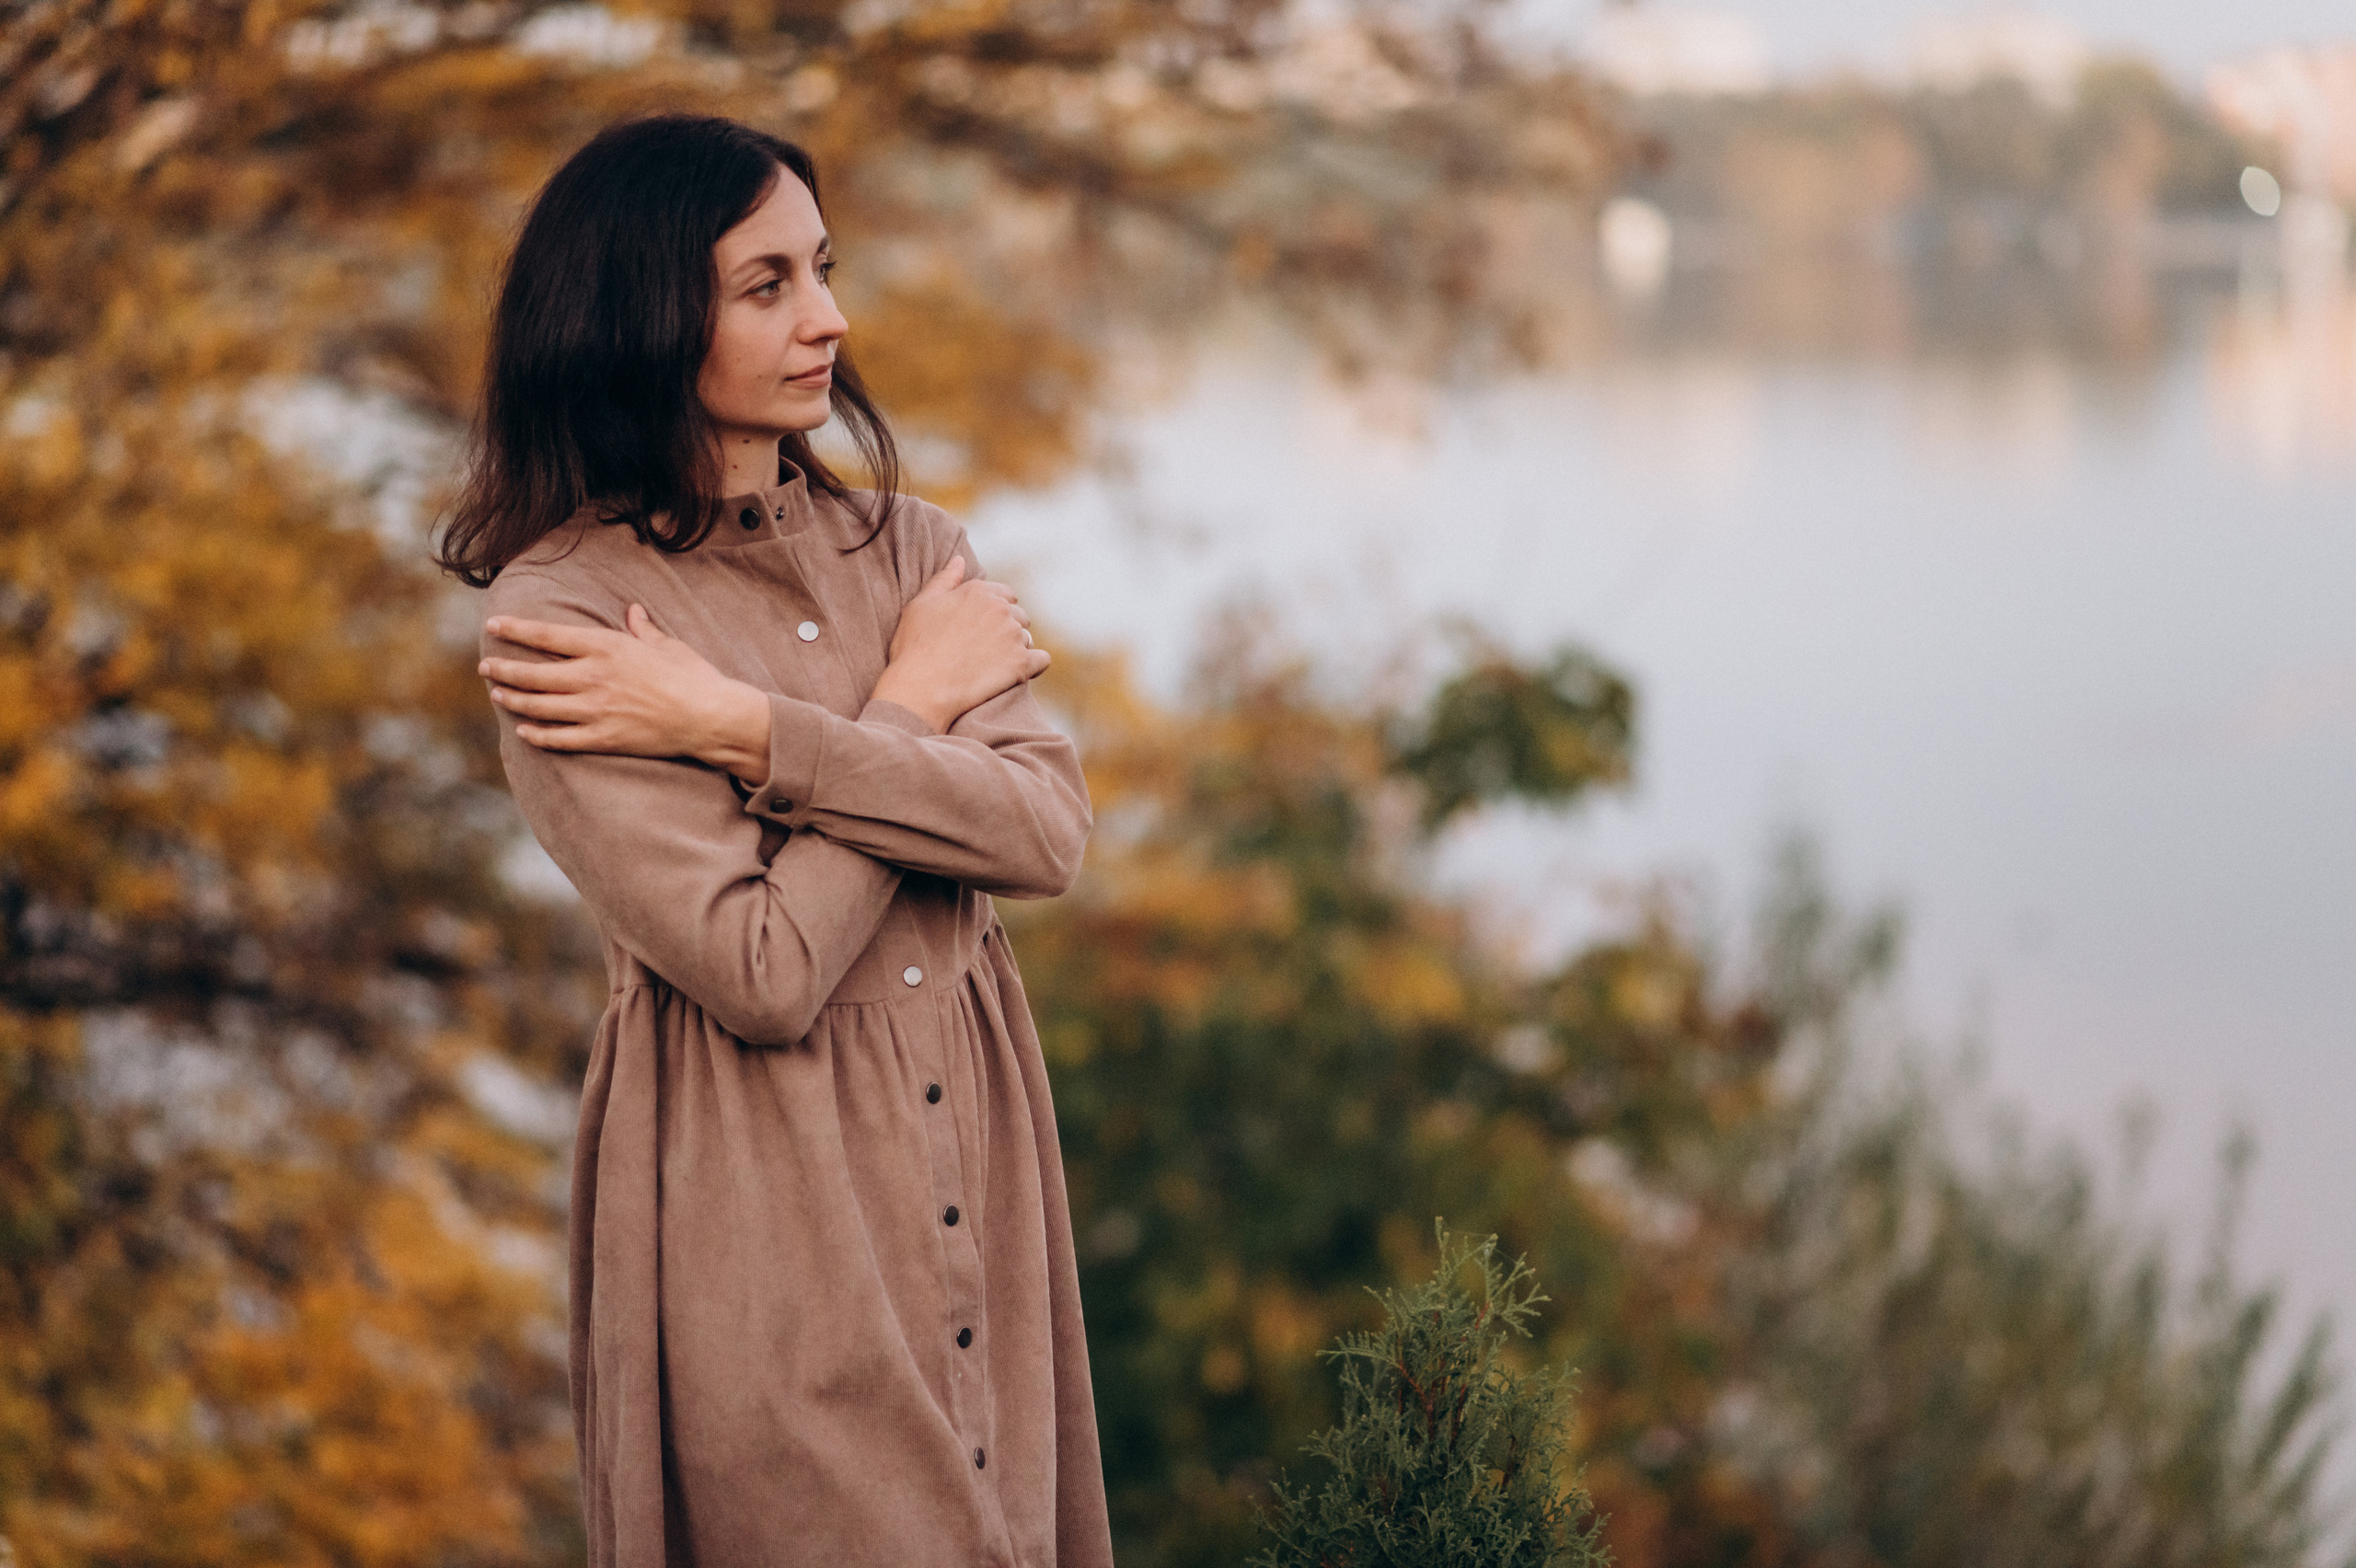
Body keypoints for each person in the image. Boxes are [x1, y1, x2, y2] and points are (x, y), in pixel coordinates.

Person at [436, 114, 1111, 1568]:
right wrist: (915, 708)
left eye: (824, 269)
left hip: (981, 1176)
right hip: (766, 1211)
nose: (831, 319)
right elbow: (763, 963)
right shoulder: (560, 622)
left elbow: (1046, 832)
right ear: (642, 315)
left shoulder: (916, 553)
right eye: (769, 285)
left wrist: (744, 732)